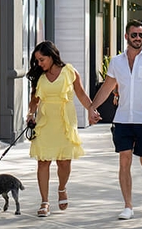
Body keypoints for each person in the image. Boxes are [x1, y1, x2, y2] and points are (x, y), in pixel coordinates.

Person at [90, 19, 142, 219]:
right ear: (126, 37)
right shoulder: (116, 62)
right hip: (123, 119)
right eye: (134, 35)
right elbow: (107, 87)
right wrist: (92, 107)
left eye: (141, 35)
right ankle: (128, 205)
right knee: (124, 161)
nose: (138, 38)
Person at [25, 41, 98, 218]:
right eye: (37, 61)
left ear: (51, 56)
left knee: (64, 161)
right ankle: (44, 202)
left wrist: (91, 110)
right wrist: (30, 114)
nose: (39, 64)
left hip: (65, 121)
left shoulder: (70, 72)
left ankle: (62, 188)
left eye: (42, 59)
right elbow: (34, 99)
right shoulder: (39, 76)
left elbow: (80, 93)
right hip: (45, 122)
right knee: (43, 161)